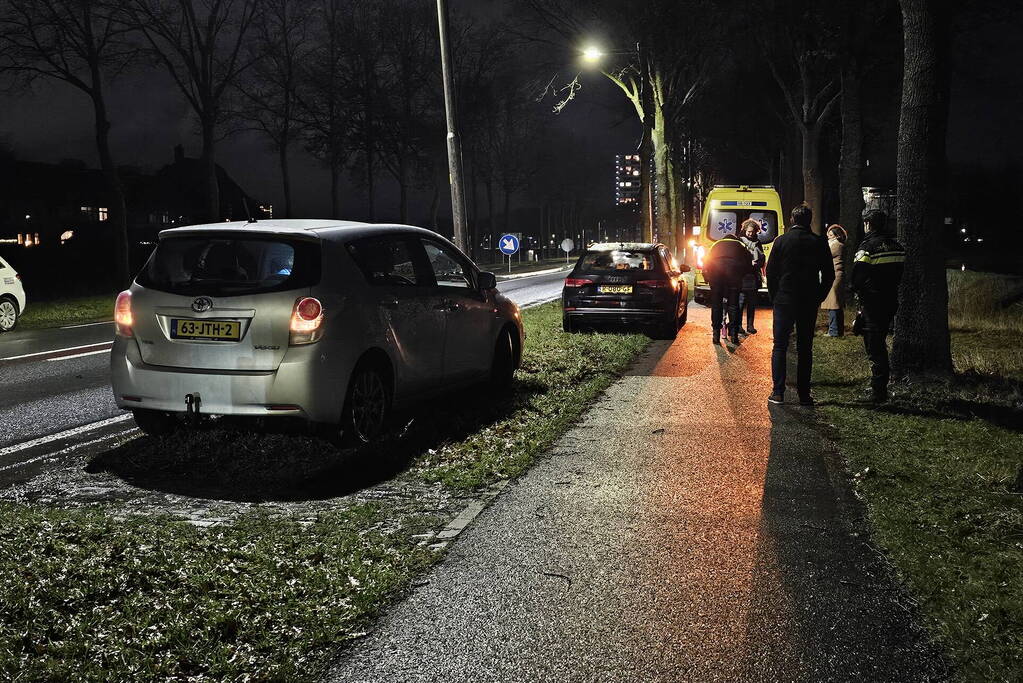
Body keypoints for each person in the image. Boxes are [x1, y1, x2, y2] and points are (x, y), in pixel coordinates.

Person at [765, 203, 835, 406]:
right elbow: (829, 275)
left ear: (792, 220)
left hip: (784, 299)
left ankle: (778, 392)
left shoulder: (781, 241)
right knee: (805, 347)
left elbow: (770, 272)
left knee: (780, 345)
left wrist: (774, 296)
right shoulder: (819, 242)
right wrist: (819, 296)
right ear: (809, 220)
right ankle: (804, 394)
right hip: (808, 300)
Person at [851, 209, 905, 403]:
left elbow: (857, 276)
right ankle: (879, 386)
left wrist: (858, 290)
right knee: (879, 339)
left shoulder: (867, 248)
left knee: (875, 347)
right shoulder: (897, 246)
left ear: (868, 224)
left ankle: (878, 391)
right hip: (890, 300)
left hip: (872, 303)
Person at [704, 227, 753, 345]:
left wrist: (708, 279)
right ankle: (734, 335)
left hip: (716, 277)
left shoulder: (715, 245)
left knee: (716, 305)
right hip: (734, 277)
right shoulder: (741, 245)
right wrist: (741, 275)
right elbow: (748, 264)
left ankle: (716, 334)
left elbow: (706, 262)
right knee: (733, 305)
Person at [738, 219, 766, 334]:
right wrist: (749, 263)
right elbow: (737, 258)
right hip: (742, 276)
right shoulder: (740, 241)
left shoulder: (758, 242)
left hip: (753, 276)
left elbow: (762, 259)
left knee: (752, 303)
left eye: (752, 232)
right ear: (745, 230)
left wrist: (759, 262)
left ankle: (750, 326)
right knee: (740, 303)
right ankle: (738, 326)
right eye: (749, 231)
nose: (750, 234)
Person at [821, 224, 848, 337]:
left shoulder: (836, 245)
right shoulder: (837, 244)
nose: (828, 236)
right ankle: (837, 330)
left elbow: (824, 255)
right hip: (836, 275)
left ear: (837, 235)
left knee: (834, 304)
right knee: (835, 303)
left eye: (831, 235)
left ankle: (834, 331)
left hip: (835, 276)